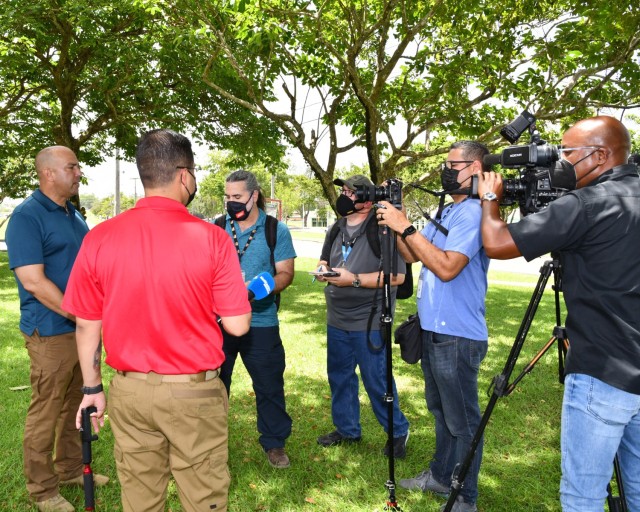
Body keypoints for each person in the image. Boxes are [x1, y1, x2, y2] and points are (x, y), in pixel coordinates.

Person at [61, 129, 252, 512]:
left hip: (129, 393)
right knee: (203, 497)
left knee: (140, 496)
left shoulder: (99, 237)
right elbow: (238, 325)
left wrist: (91, 388)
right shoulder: (213, 240)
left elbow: (86, 324)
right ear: (184, 175)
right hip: (193, 394)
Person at [477, 116, 640, 512]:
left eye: (568, 153)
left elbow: (497, 243)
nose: (560, 162)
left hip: (604, 371)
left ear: (601, 155)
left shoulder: (586, 204)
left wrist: (490, 197)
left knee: (582, 495)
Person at [378, 141, 491, 512]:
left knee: (463, 421)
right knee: (441, 412)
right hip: (434, 331)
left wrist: (405, 226)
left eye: (450, 164)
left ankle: (466, 498)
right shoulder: (449, 209)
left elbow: (446, 267)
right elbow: (413, 254)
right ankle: (442, 477)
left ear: (474, 168)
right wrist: (401, 222)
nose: (445, 171)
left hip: (458, 335)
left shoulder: (474, 212)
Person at [5, 146, 109, 512]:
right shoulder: (26, 217)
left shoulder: (73, 214)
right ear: (48, 172)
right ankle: (43, 489)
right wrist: (81, 313)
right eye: (72, 167)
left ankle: (68, 469)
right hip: (50, 331)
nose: (79, 172)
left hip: (81, 330)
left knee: (75, 405)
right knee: (46, 411)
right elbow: (33, 281)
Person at [315, 174, 411, 459]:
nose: (343, 195)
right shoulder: (336, 227)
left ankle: (397, 432)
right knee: (340, 377)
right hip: (337, 319)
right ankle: (347, 430)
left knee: (376, 380)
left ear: (367, 200)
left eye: (350, 191)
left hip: (368, 321)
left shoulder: (382, 227)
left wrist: (353, 279)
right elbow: (324, 259)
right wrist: (324, 271)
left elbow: (396, 276)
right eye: (342, 190)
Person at [219, 170, 296, 469]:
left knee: (269, 386)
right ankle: (212, 444)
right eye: (227, 196)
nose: (231, 203)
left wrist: (255, 292)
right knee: (215, 386)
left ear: (254, 195)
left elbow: (286, 274)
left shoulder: (276, 229)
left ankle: (274, 443)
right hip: (221, 324)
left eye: (237, 197)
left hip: (262, 323)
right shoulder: (217, 227)